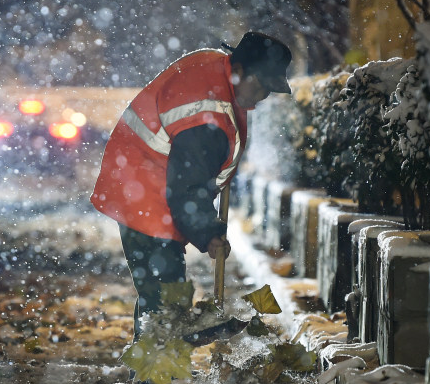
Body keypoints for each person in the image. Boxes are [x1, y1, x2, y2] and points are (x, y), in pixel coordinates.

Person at [91, 31, 293, 338]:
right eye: (262, 84)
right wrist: (208, 233)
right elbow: (188, 183)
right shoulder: (206, 115)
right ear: (238, 71)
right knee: (164, 298)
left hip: (144, 180)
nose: (264, 95)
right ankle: (155, 377)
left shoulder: (217, 72)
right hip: (145, 189)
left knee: (161, 296)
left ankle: (159, 370)